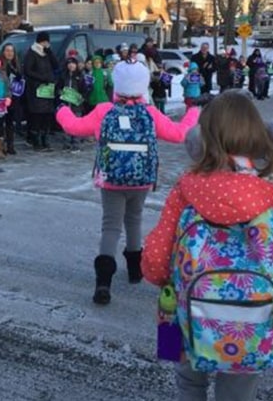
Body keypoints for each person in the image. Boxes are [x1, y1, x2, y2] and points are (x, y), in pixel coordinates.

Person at [142, 90, 273, 401]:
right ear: (260, 137)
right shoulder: (272, 198)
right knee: (237, 397)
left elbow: (155, 261)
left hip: (187, 317)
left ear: (201, 138)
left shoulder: (185, 190)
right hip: (253, 323)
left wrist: (167, 281)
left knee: (188, 385)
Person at [56, 60, 201, 305]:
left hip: (111, 179)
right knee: (134, 219)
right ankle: (135, 271)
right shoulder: (150, 113)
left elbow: (74, 127)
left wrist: (62, 111)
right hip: (141, 178)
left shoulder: (104, 111)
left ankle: (103, 281)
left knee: (110, 226)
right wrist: (194, 111)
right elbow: (179, 134)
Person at [23, 31, 58, 151]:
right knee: (37, 115)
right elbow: (28, 70)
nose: (46, 43)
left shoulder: (47, 53)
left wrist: (50, 52)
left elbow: (56, 65)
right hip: (36, 89)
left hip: (48, 89)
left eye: (47, 41)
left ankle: (45, 139)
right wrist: (42, 78)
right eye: (44, 41)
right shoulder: (32, 53)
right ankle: (36, 141)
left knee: (47, 115)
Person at [56, 56, 88, 151]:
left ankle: (76, 144)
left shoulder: (80, 77)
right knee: (66, 125)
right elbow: (58, 88)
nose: (71, 65)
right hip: (65, 105)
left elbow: (84, 90)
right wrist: (60, 92)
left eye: (73, 63)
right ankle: (67, 143)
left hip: (76, 105)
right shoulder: (63, 76)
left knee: (76, 124)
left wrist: (81, 97)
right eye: (69, 63)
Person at [0, 43, 23, 155]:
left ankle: (10, 145)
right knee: (1, 122)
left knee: (10, 122)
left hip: (13, 97)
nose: (9, 53)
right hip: (2, 97)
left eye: (12, 51)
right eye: (7, 50)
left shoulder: (16, 65)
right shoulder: (0, 65)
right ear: (3, 52)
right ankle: (1, 146)